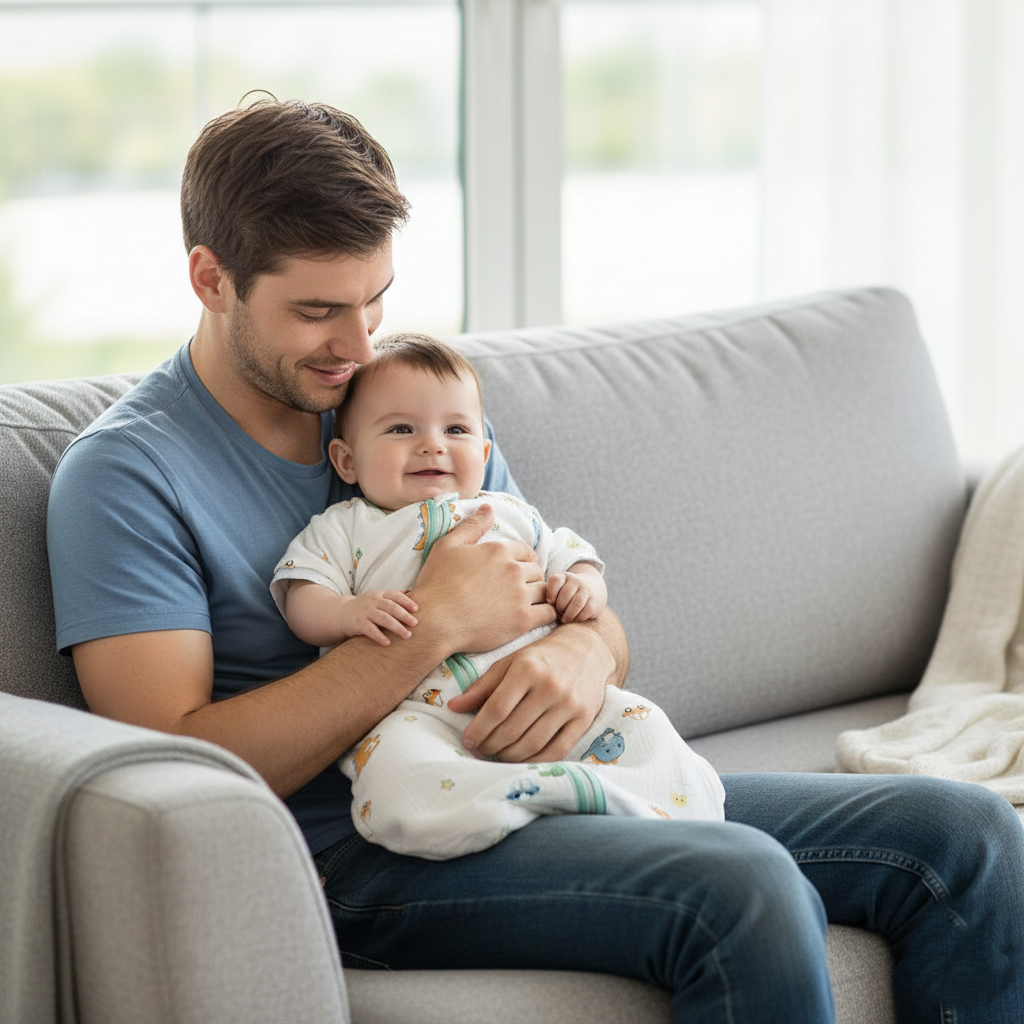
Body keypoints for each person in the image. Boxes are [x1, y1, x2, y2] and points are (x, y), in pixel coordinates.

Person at [46, 96, 1024, 1023]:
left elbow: (572, 607)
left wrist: (582, 653)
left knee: (966, 835)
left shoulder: (403, 406)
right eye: (316, 312)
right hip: (364, 846)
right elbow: (176, 771)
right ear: (211, 279)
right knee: (743, 884)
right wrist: (430, 628)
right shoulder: (129, 476)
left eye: (375, 300)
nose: (356, 343)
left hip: (539, 781)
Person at [269, 331, 725, 859]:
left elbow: (573, 557)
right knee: (395, 767)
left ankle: (643, 806)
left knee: (641, 723)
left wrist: (582, 588)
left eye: (455, 429)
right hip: (420, 715)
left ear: (483, 453)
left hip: (542, 698)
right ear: (347, 461)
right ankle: (492, 821)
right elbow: (302, 592)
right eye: (401, 428)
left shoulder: (507, 512)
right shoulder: (347, 527)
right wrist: (347, 613)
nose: (432, 444)